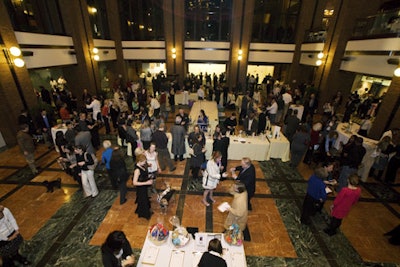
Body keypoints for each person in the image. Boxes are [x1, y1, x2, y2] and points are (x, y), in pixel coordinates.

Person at [132, 154, 153, 220]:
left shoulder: (141, 166)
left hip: (143, 186)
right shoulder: (137, 170)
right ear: (139, 161)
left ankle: (141, 211)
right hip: (141, 188)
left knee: (144, 199)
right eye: (144, 161)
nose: (145, 163)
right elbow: (134, 182)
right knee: (143, 200)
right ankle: (145, 214)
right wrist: (146, 182)